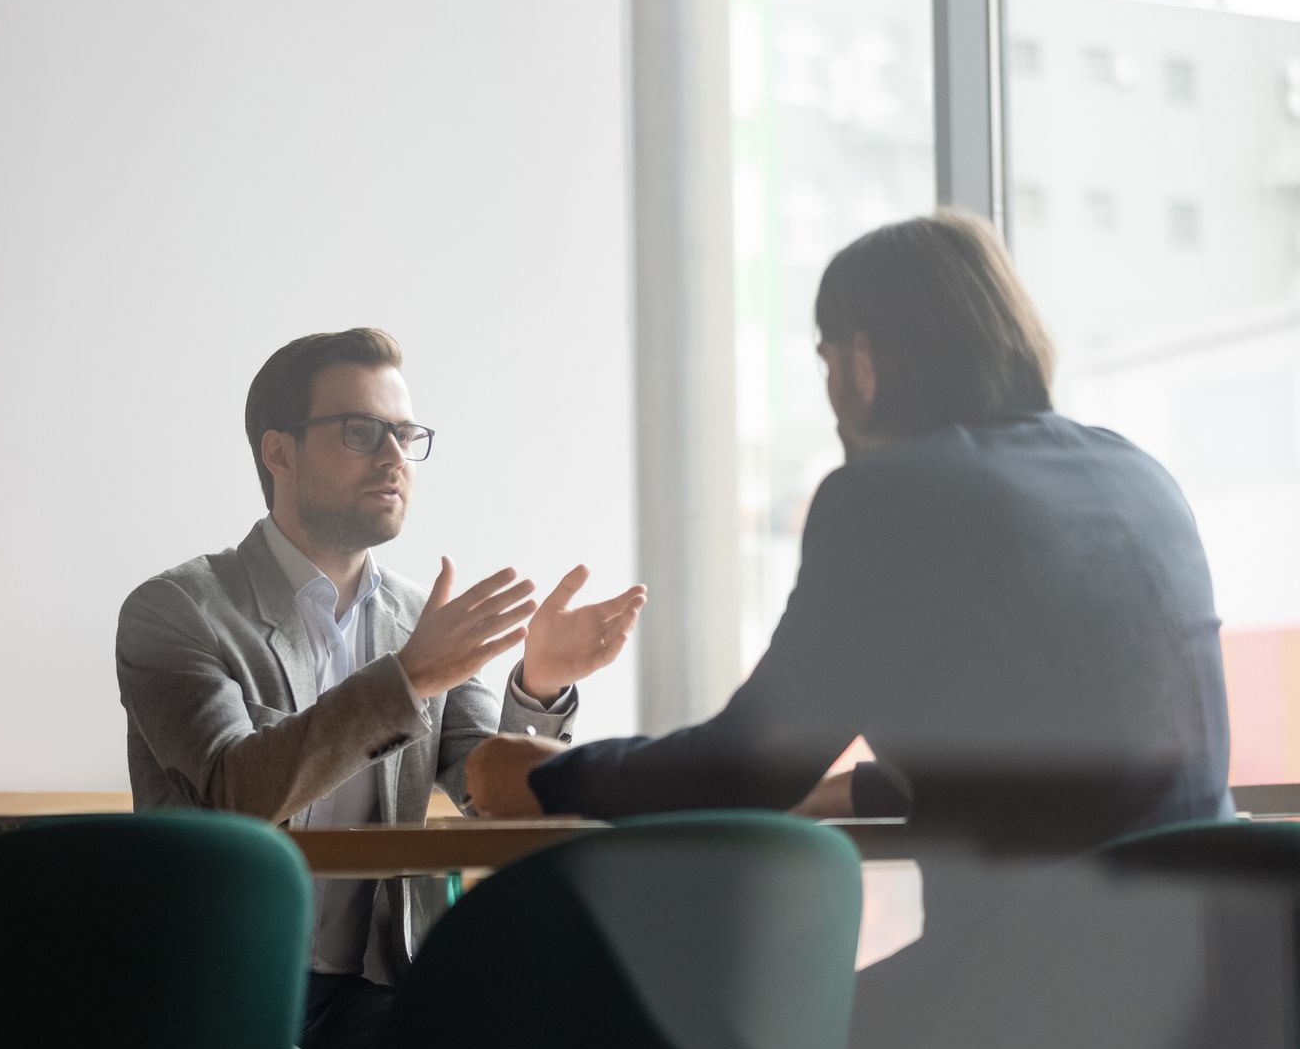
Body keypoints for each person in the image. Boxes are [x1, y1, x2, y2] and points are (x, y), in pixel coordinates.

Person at [466, 208, 1233, 859]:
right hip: (1225, 967)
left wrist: (546, 777)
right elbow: (1067, 739)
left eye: (826, 361)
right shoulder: (1138, 473)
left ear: (864, 361)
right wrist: (845, 788)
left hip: (1057, 984)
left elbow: (747, 764)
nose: (831, 393)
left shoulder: (891, 499)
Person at [116, 327, 644, 1049]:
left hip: (380, 987)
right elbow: (235, 787)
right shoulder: (176, 611)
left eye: (406, 434)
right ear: (278, 452)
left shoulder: (415, 620)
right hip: (219, 979)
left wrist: (541, 684)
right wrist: (410, 679)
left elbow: (485, 792)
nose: (394, 456)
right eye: (361, 431)